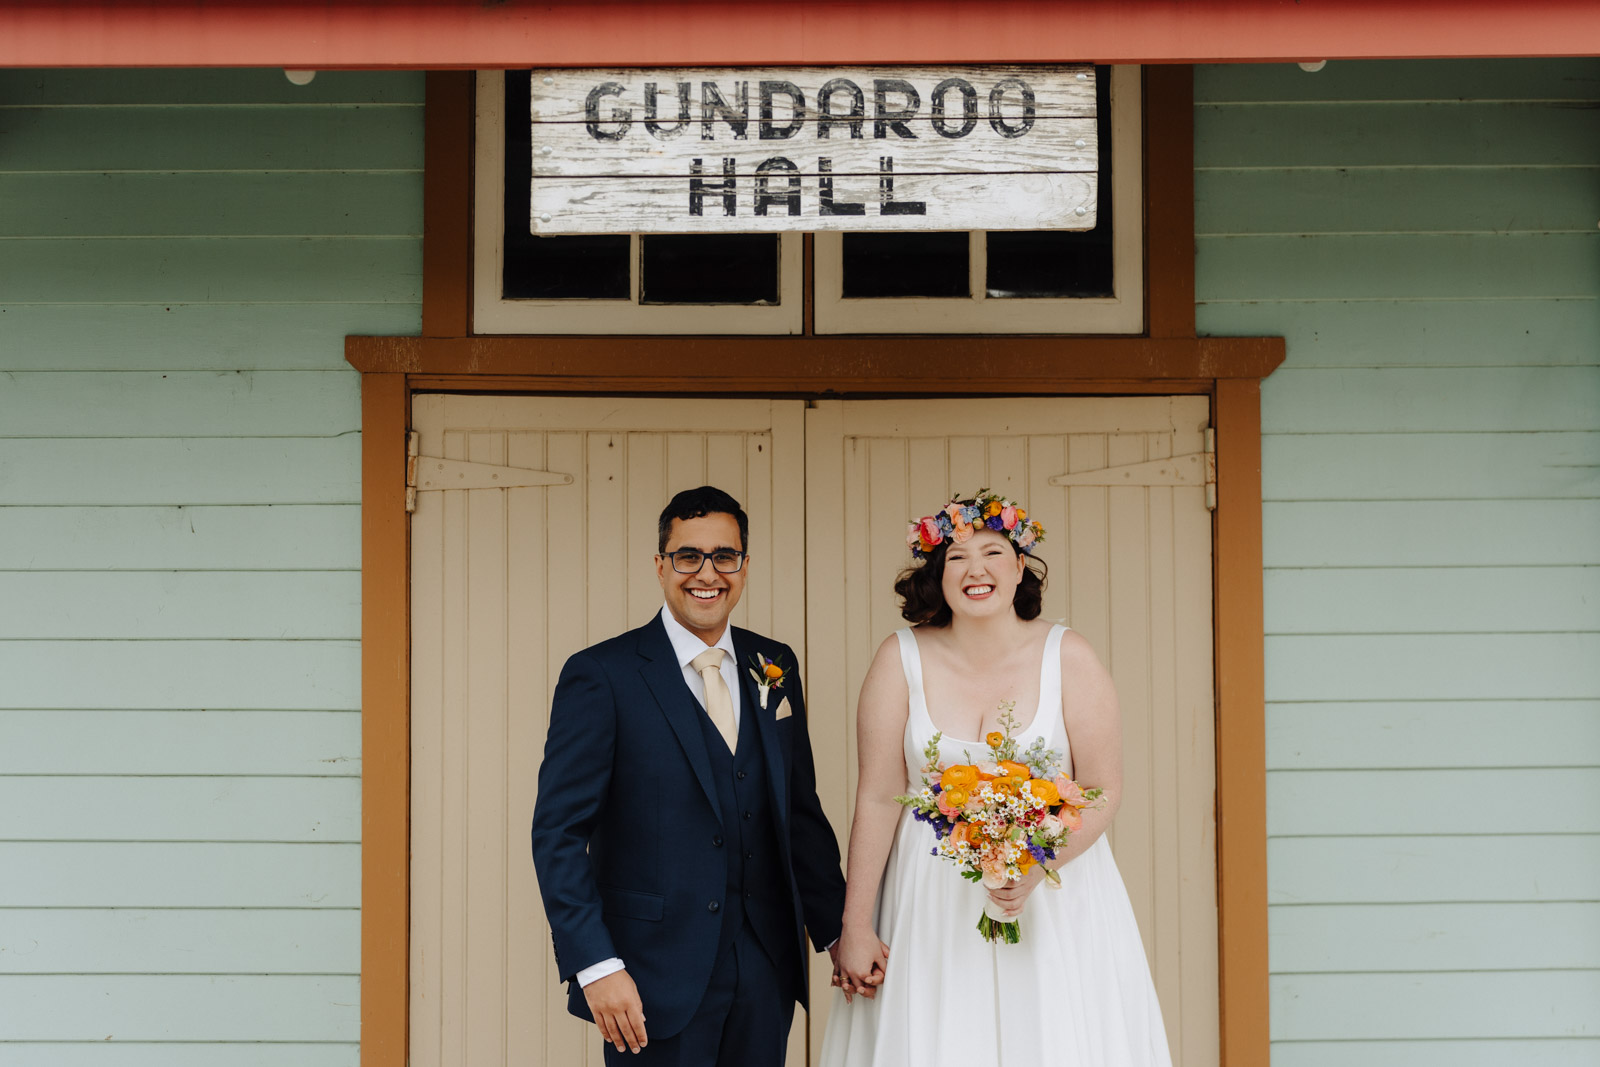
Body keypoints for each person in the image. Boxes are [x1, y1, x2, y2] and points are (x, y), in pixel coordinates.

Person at [819, 493, 1173, 1067]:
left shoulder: (1069, 656)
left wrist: (1039, 865)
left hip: (1050, 899)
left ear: (1018, 567)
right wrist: (855, 924)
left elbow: (1103, 788)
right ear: (938, 575)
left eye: (992, 551)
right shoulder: (898, 659)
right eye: (956, 557)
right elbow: (879, 796)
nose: (975, 569)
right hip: (927, 902)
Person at [531, 485, 848, 1067]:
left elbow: (798, 810)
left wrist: (838, 932)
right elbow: (556, 834)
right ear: (661, 566)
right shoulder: (602, 674)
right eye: (688, 556)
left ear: (744, 567)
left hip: (765, 967)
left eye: (725, 556)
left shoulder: (772, 665)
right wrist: (597, 965)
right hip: (650, 975)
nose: (708, 573)